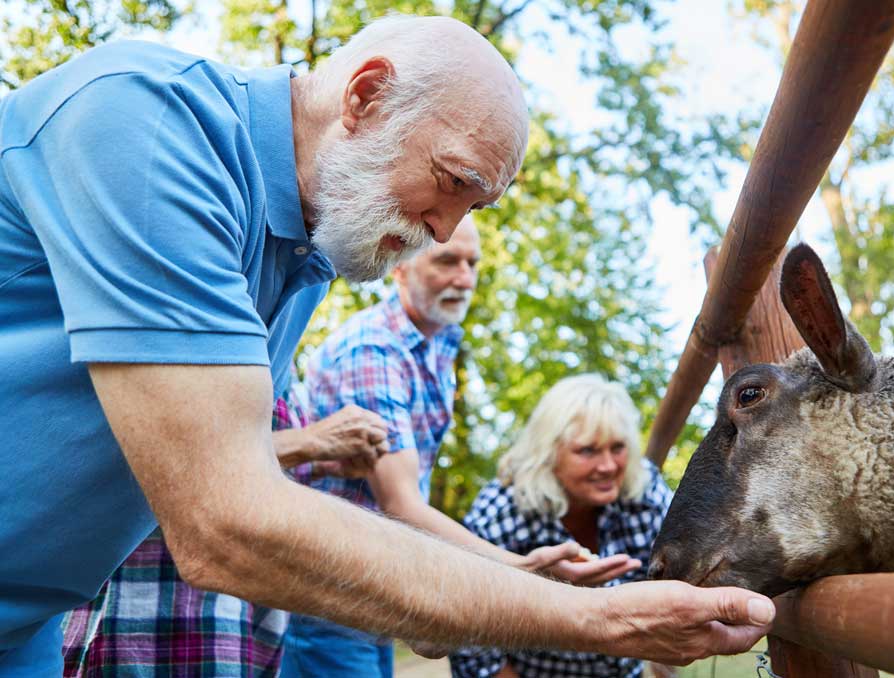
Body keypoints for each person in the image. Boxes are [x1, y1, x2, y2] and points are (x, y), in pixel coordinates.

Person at [0, 13, 775, 676]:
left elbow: (219, 466)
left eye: (476, 206)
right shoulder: (149, 121)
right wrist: (609, 621)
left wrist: (503, 569)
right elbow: (223, 518)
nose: (445, 228)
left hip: (25, 625)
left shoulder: (303, 257)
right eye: (451, 181)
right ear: (366, 95)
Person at [281, 217, 642, 677]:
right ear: (400, 267)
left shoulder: (436, 346)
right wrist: (516, 569)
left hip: (369, 579)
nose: (464, 278)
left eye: (472, 263)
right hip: (326, 581)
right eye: (447, 261)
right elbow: (401, 502)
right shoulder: (375, 350)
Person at [60, 374, 388, 676]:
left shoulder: (275, 353)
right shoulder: (172, 332)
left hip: (235, 632)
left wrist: (312, 464)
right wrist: (307, 442)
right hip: (144, 633)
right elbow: (161, 456)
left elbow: (247, 471)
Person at [450, 374, 677, 677]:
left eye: (618, 447)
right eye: (588, 450)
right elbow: (470, 638)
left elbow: (677, 581)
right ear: (549, 453)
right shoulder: (503, 509)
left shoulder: (644, 490)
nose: (608, 465)